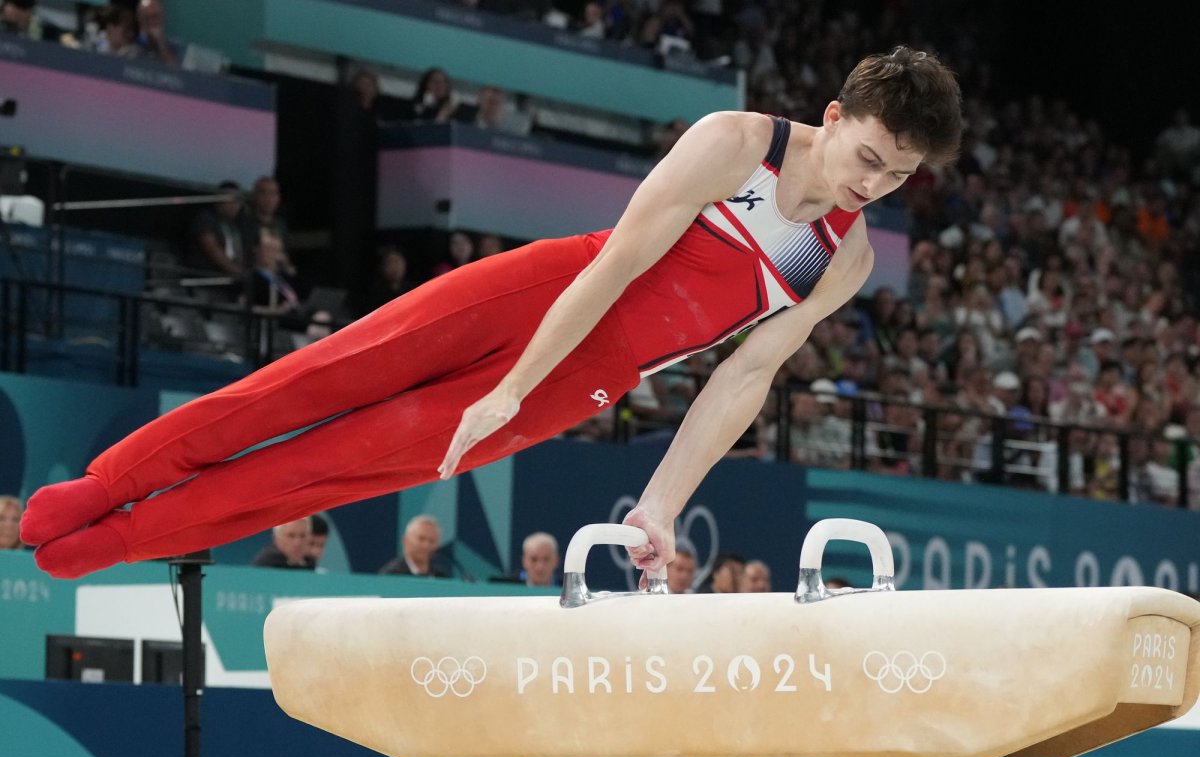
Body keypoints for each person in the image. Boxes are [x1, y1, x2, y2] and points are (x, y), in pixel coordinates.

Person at [21, 46, 962, 579]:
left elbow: (744, 375)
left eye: (900, 176)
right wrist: (511, 386)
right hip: (537, 294)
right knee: (304, 382)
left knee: (331, 469)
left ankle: (119, 539)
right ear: (835, 117)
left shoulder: (841, 257)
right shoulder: (737, 143)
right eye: (870, 155)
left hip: (588, 377)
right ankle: (104, 487)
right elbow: (623, 260)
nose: (872, 184)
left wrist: (661, 506)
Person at [379, 515, 449, 577]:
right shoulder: (391, 575)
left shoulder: (441, 577)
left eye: (432, 541)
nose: (426, 546)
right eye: (421, 539)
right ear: (405, 540)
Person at [251, 517, 315, 569]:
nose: (297, 543)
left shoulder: (311, 563)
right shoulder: (266, 564)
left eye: (303, 536)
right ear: (276, 538)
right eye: (291, 536)